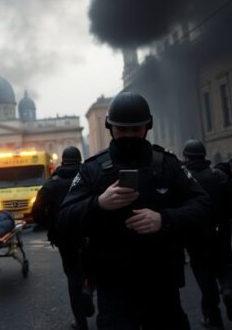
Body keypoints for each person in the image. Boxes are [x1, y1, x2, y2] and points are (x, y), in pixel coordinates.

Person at [57, 91, 210, 329]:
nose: (129, 136)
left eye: (135, 130)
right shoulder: (93, 170)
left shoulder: (167, 164)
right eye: (122, 130)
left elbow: (204, 205)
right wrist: (98, 203)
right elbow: (63, 219)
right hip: (113, 284)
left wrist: (164, 219)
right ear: (111, 128)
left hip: (161, 282)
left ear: (146, 127)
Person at [32, 146, 94, 330]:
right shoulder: (90, 178)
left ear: (62, 161)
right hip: (88, 234)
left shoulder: (51, 184)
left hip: (64, 237)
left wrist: (51, 225)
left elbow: (36, 212)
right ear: (80, 160)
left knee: (73, 276)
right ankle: (89, 289)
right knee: (91, 268)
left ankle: (80, 322)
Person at [183, 142, 232, 330]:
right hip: (220, 232)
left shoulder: (184, 178)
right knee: (225, 266)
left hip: (195, 235)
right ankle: (228, 289)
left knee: (203, 273)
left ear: (186, 156)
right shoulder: (219, 176)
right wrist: (231, 225)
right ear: (204, 155)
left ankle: (212, 316)